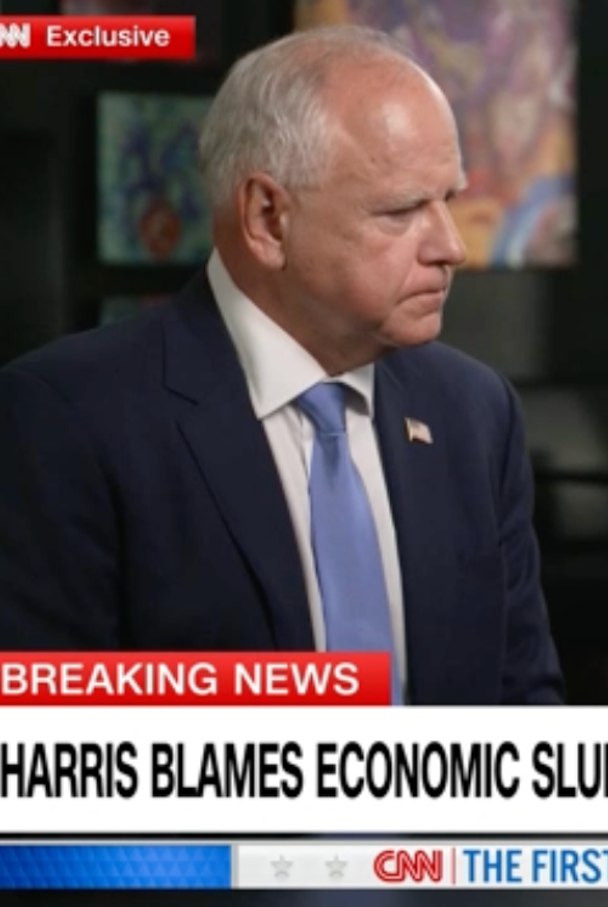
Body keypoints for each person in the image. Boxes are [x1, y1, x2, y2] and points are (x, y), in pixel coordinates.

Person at [0, 27, 563, 705]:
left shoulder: (474, 411)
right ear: (268, 218)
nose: (451, 246)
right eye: (404, 209)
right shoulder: (66, 418)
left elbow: (524, 710)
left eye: (449, 197)